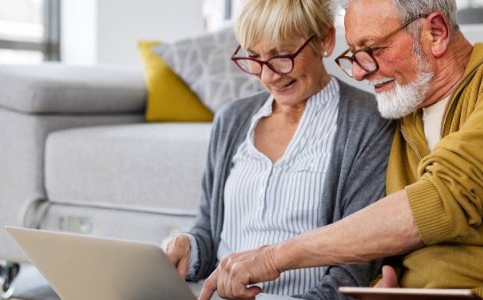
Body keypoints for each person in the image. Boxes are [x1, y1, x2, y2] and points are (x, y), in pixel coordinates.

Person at [197, 0, 483, 300]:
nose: (363, 73)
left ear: (436, 31)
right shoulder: (398, 121)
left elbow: (449, 196)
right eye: (354, 55)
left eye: (372, 51)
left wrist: (276, 257)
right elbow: (379, 246)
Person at [159, 0, 394, 298]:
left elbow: (357, 263)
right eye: (254, 57)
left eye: (282, 56)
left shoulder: (367, 122)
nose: (268, 76)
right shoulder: (231, 120)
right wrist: (186, 245)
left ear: (325, 39)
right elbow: (209, 232)